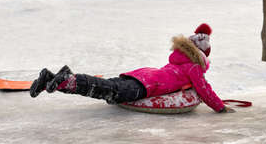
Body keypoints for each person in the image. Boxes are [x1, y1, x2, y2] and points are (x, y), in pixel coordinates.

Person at [30, 23, 235, 113]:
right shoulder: (194, 67)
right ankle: (68, 77)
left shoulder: (178, 59)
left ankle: (51, 78)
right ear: (202, 55)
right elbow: (204, 89)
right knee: (108, 90)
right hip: (148, 85)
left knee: (106, 85)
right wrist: (220, 107)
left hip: (143, 74)